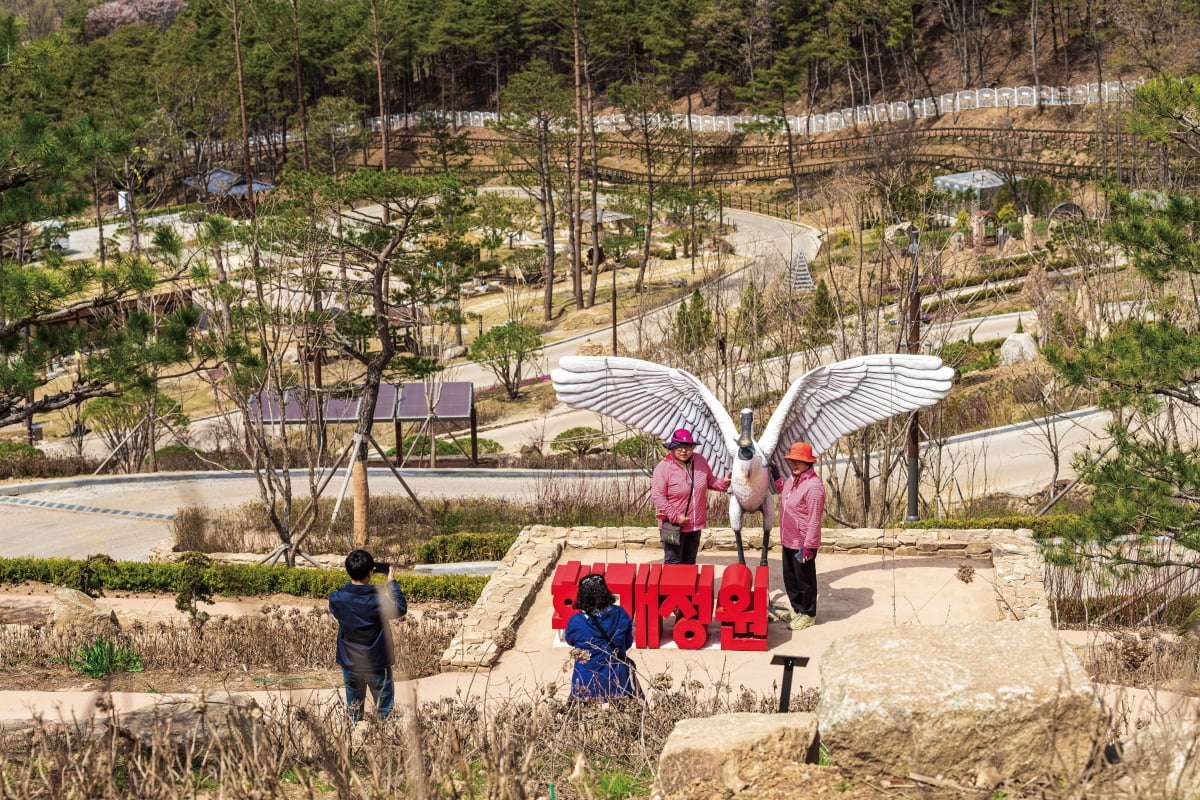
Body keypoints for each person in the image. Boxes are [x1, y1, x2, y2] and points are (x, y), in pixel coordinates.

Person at [329, 549, 407, 721]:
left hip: (350, 663)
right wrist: (392, 584)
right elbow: (400, 609)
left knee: (354, 712)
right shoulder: (378, 599)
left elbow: (340, 605)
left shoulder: (336, 598)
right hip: (376, 662)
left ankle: (354, 744)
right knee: (384, 712)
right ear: (371, 572)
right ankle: (383, 743)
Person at [651, 428, 731, 564]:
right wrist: (676, 517)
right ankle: (672, 586)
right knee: (673, 562)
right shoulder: (663, 468)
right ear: (672, 448)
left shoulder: (699, 460)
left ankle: (688, 586)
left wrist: (723, 482)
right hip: (673, 525)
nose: (684, 451)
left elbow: (709, 481)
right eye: (680, 447)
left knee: (689, 562)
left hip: (694, 524)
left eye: (688, 447)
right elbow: (658, 496)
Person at [773, 441, 827, 631]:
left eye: (799, 461)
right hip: (788, 539)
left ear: (808, 463)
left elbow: (814, 519)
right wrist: (775, 476)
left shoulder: (813, 487)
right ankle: (797, 610)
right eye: (792, 461)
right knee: (790, 578)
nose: (794, 465)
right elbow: (783, 491)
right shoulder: (792, 480)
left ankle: (808, 614)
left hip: (803, 543)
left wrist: (809, 546)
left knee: (805, 580)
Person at [564, 573, 639, 701]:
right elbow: (627, 643)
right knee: (623, 714)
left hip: (586, 680)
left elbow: (570, 641)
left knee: (579, 716)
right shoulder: (621, 613)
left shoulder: (576, 621)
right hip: (616, 677)